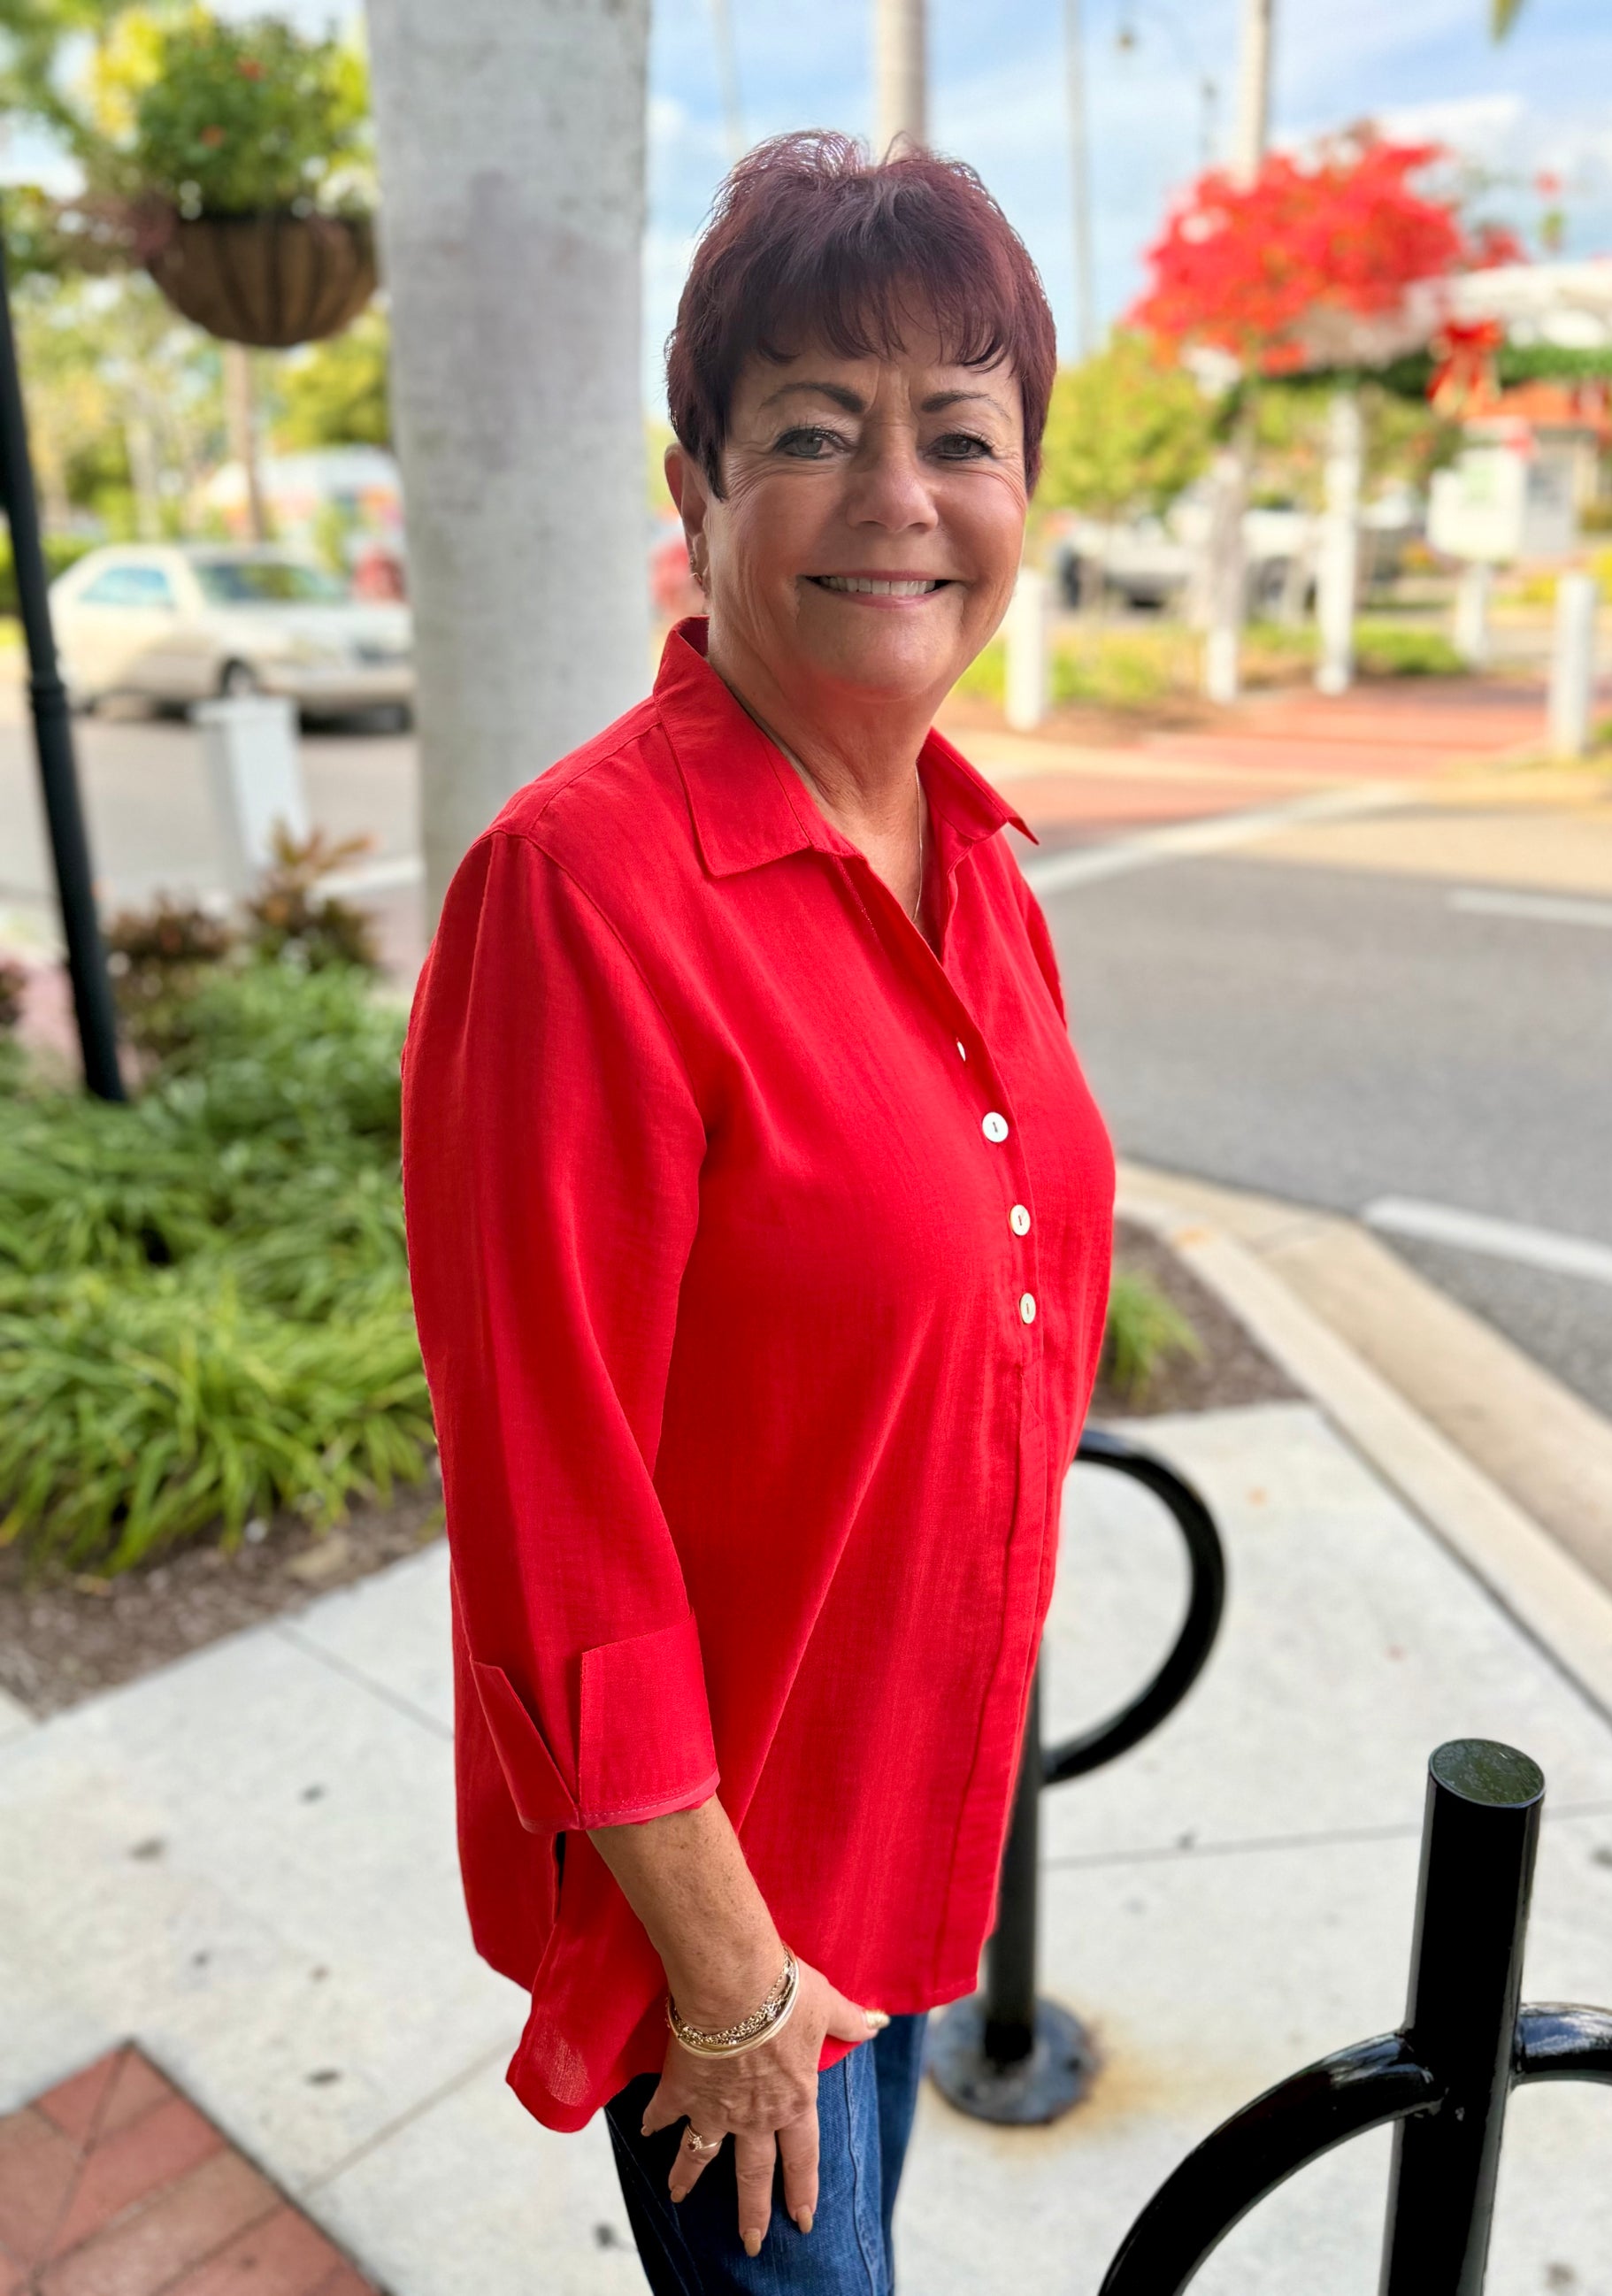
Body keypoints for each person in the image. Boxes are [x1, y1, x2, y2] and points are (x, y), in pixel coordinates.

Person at [401, 130, 1116, 2293]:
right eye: (812, 429)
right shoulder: (579, 893)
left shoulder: (975, 863)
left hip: (909, 1815)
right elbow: (553, 1505)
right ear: (696, 491)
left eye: (959, 435)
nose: (899, 493)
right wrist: (726, 1977)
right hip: (725, 1938)